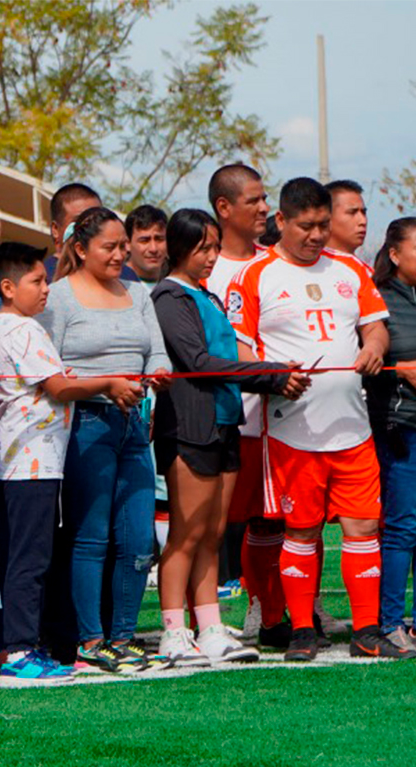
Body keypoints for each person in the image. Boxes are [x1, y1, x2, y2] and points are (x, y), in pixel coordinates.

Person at [227, 177, 397, 661]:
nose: (317, 235)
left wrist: (372, 348)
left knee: (363, 526)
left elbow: (376, 328)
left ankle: (366, 631)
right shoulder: (256, 274)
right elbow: (240, 348)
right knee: (301, 530)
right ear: (281, 221)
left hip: (352, 426)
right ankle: (301, 629)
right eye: (307, 226)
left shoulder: (350, 268)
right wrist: (274, 377)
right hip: (290, 430)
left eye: (324, 224)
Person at [151, 208, 310, 668]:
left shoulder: (210, 297)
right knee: (185, 532)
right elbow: (198, 363)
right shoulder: (169, 297)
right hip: (188, 426)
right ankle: (173, 631)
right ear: (179, 250)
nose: (211, 257)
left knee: (212, 533)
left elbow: (229, 360)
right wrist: (271, 374)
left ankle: (210, 625)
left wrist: (277, 376)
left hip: (223, 422)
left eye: (215, 248)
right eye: (202, 248)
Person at [0, 242, 136, 684]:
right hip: (29, 461)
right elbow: (57, 387)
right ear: (9, 287)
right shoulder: (21, 329)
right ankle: (18, 651)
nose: (46, 289)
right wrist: (109, 382)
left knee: (32, 556)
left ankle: (26, 645)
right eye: (36, 281)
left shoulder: (10, 326)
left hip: (33, 459)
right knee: (29, 559)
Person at [39, 206, 170, 672]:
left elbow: (157, 350)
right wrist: (103, 384)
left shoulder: (137, 293)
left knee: (137, 538)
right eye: (109, 247)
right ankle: (90, 641)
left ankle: (125, 636)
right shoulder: (58, 297)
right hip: (84, 425)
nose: (120, 255)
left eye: (122, 246)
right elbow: (46, 365)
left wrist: (156, 374)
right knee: (91, 536)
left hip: (134, 423)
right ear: (80, 248)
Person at [207, 162, 288, 647]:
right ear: (224, 208)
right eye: (254, 200)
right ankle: (214, 616)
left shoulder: (277, 262)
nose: (264, 208)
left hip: (280, 417)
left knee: (277, 516)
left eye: (265, 199)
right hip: (226, 418)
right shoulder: (206, 267)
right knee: (220, 522)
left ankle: (278, 604)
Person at [369, 218, 416, 649]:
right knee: (402, 526)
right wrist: (397, 369)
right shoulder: (378, 298)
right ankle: (390, 622)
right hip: (400, 428)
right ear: (396, 255)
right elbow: (366, 361)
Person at [125, 204, 168, 285]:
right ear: (127, 244)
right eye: (144, 241)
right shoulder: (114, 286)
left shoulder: (176, 287)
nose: (153, 249)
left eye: (159, 239)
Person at [326, 180, 369, 258]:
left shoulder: (365, 269)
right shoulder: (313, 266)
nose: (363, 221)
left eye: (363, 212)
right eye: (352, 212)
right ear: (327, 219)